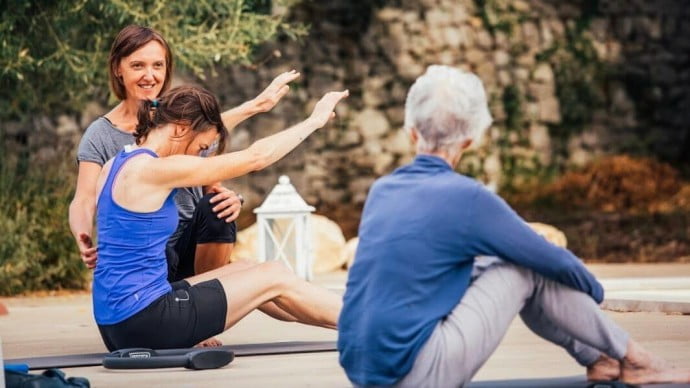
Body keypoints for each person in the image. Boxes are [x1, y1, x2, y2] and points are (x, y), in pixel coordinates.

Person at [337, 65, 690, 386]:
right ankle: (637, 359)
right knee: (523, 268)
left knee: (488, 263)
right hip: (415, 373)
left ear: (411, 133)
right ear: (469, 140)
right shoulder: (468, 198)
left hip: (363, 371)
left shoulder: (381, 190)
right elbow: (553, 260)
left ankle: (601, 360)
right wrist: (593, 295)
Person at [94, 85, 348, 351]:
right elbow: (256, 158)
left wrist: (250, 108)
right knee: (273, 274)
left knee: (249, 269)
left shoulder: (116, 163)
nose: (199, 156)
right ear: (180, 129)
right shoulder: (152, 169)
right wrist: (314, 121)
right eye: (202, 147)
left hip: (117, 323)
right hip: (146, 321)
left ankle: (346, 324)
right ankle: (370, 322)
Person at [70, 25, 299, 283]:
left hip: (190, 244)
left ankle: (205, 299)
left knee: (216, 210)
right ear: (117, 68)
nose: (150, 75)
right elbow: (84, 199)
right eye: (138, 66)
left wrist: (231, 199)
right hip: (149, 252)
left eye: (158, 65)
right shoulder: (101, 134)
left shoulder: (182, 116)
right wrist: (83, 234)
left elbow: (210, 163)